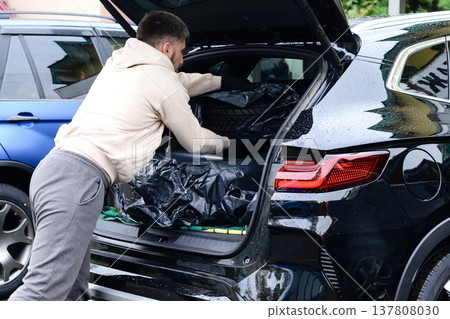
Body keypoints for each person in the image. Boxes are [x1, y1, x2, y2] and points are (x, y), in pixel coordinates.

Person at [9, 11, 250, 301]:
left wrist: (219, 81)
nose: (183, 59)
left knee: (74, 286)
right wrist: (236, 143)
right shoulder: (161, 80)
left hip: (54, 169)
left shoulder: (119, 64)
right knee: (43, 290)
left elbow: (179, 81)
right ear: (167, 48)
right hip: (78, 180)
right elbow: (196, 140)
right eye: (182, 52)